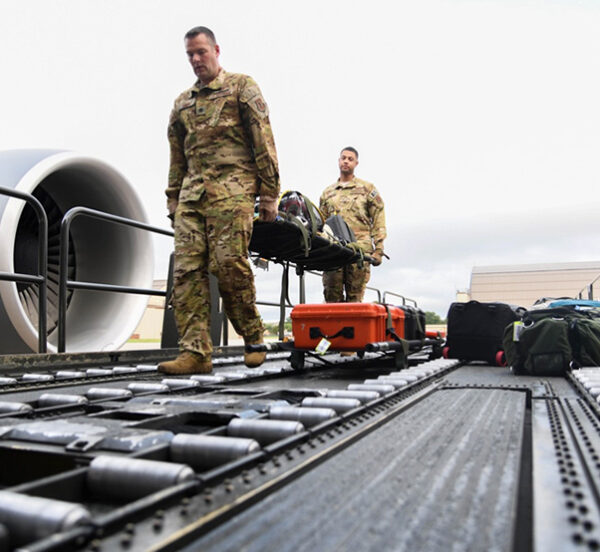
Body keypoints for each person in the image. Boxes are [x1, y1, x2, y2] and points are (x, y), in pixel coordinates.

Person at [159, 26, 280, 375]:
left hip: (234, 191)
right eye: (190, 55)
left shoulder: (242, 87)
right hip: (191, 198)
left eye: (201, 52)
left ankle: (253, 334)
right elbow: (176, 156)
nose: (196, 60)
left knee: (228, 264)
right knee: (186, 274)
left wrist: (270, 192)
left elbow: (263, 141)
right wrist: (172, 198)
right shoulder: (182, 103)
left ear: (216, 50)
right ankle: (195, 353)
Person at [319, 147, 386, 303]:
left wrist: (379, 249)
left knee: (354, 299)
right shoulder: (327, 193)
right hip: (333, 249)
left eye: (350, 159)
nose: (346, 161)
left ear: (356, 163)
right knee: (331, 296)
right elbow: (321, 224)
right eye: (343, 158)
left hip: (359, 249)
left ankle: (353, 328)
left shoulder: (367, 189)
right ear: (339, 161)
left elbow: (378, 217)